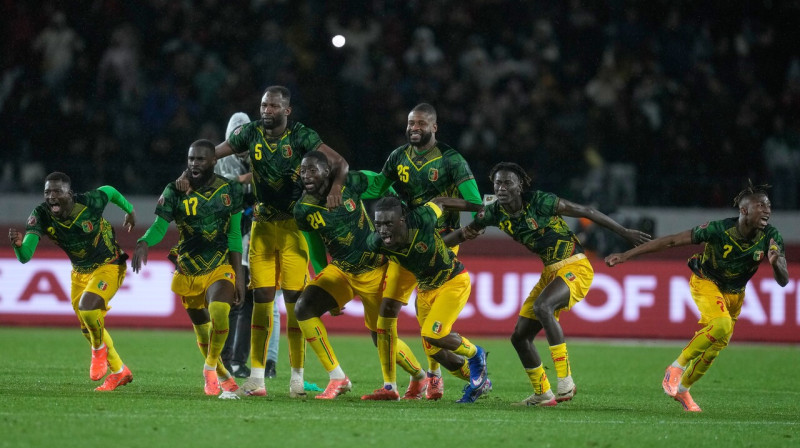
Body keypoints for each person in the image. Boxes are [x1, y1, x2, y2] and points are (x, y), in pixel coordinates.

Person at [178, 86, 346, 397]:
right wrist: (190, 171)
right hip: (262, 228)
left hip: (293, 229)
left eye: (273, 106)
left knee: (294, 304)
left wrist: (335, 188)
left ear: (287, 110)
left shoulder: (301, 135)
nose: (267, 110)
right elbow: (212, 153)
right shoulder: (250, 133)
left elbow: (340, 163)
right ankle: (257, 378)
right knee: (262, 302)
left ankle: (297, 377)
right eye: (264, 105)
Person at [456, 162, 651, 406]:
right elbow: (467, 229)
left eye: (508, 182)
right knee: (519, 337)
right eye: (497, 183)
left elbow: (587, 211)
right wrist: (439, 242)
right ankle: (542, 393)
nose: (501, 187)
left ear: (520, 186)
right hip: (550, 272)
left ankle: (566, 380)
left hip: (575, 266)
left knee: (543, 306)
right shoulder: (494, 212)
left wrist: (624, 232)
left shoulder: (541, 202)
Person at [605, 181, 788, 412]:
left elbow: (783, 281)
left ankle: (683, 389)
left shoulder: (771, 236)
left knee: (714, 349)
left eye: (768, 205)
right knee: (721, 324)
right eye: (760, 205)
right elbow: (672, 241)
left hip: (735, 294)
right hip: (706, 282)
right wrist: (627, 255)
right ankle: (676, 367)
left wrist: (776, 263)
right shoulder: (718, 229)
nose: (767, 210)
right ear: (744, 210)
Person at [366, 102, 483, 400]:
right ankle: (391, 385)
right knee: (387, 311)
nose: (414, 128)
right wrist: (343, 185)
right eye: (411, 123)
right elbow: (377, 186)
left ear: (434, 127)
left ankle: (434, 376)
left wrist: (460, 212)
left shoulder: (451, 159)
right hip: (403, 241)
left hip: (440, 240)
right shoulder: (398, 156)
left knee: (426, 318)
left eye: (421, 123)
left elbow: (475, 202)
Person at [292, 151, 427, 400]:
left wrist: (401, 208)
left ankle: (419, 376)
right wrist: (322, 277)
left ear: (326, 172)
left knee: (381, 339)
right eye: (302, 171)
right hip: (342, 270)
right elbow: (315, 246)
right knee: (303, 308)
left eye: (312, 170)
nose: (306, 175)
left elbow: (382, 183)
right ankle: (337, 377)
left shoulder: (350, 182)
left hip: (376, 269)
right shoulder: (302, 209)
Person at [133, 139, 245, 398]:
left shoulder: (230, 190)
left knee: (219, 311)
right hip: (189, 268)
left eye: (200, 159)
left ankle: (209, 367)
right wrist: (144, 241)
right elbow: (160, 226)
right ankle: (221, 374)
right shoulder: (174, 190)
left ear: (214, 161)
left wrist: (238, 277)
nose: (195, 163)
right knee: (202, 328)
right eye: (191, 159)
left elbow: (234, 235)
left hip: (219, 264)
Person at [8, 172, 135, 391]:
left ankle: (98, 350)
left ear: (70, 194)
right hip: (80, 273)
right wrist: (18, 246)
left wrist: (130, 211)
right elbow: (25, 256)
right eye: (47, 192)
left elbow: (110, 191)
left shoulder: (89, 202)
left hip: (110, 264)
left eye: (57, 191)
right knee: (88, 325)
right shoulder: (41, 214)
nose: (51, 196)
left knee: (88, 309)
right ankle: (119, 371)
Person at [369, 195, 489, 403]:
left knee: (432, 334)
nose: (383, 230)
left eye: (388, 223)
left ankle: (475, 353)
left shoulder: (422, 217)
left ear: (402, 220)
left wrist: (478, 207)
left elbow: (441, 201)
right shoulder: (375, 242)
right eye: (378, 224)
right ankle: (479, 381)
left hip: (453, 281)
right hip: (425, 290)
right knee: (434, 351)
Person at [213, 112, 280, 379]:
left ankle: (241, 361)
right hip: (228, 235)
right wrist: (249, 179)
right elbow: (224, 192)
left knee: (253, 300)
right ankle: (226, 359)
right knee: (232, 299)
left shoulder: (260, 153)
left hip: (255, 233)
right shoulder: (222, 160)